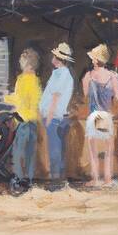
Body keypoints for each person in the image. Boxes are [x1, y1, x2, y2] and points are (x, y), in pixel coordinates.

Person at [81, 43, 118, 187]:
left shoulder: (88, 76)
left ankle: (95, 179)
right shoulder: (112, 77)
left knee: (93, 150)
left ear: (95, 60)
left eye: (93, 58)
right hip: (106, 115)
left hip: (94, 115)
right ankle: (108, 179)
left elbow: (86, 95)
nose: (92, 61)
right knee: (108, 149)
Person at [6, 48, 42, 191]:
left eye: (22, 63)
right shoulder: (36, 80)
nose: (21, 65)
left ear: (27, 65)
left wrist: (5, 97)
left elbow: (18, 99)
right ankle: (28, 178)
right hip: (33, 120)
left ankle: (18, 178)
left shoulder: (21, 79)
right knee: (30, 152)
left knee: (18, 151)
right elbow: (36, 100)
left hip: (22, 120)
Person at [40, 42, 75, 188]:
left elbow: (55, 96)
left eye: (54, 56)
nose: (52, 58)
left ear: (59, 58)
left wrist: (48, 116)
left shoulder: (61, 74)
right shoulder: (62, 74)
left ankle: (56, 181)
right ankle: (58, 179)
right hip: (59, 116)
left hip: (54, 116)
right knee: (58, 148)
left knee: (55, 149)